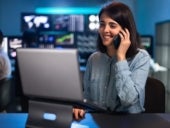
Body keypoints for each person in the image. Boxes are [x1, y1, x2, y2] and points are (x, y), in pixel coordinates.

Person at [73, 2, 150, 120]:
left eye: (112, 25)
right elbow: (87, 98)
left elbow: (129, 100)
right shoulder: (94, 59)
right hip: (98, 120)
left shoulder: (141, 58)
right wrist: (80, 107)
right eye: (102, 24)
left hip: (129, 122)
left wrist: (121, 58)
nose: (105, 30)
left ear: (126, 31)